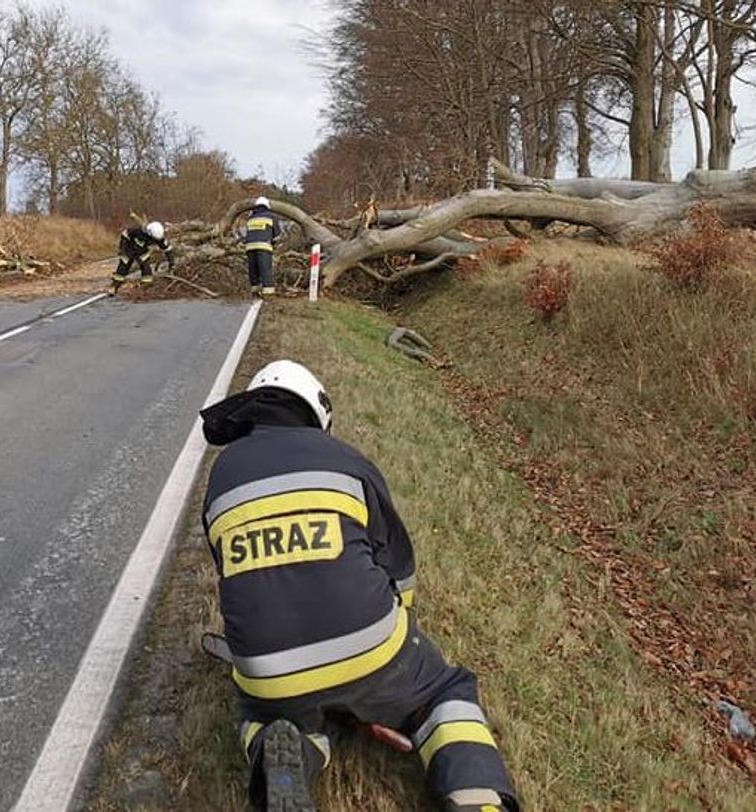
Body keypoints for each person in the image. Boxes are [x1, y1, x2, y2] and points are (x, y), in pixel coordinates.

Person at [199, 360, 518, 812]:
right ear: (317, 413)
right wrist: (398, 635)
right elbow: (399, 565)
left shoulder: (223, 473)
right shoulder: (347, 460)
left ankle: (283, 750)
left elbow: (234, 578)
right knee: (444, 691)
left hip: (269, 671)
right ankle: (477, 798)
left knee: (262, 713)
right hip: (370, 650)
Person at [109, 220, 174, 295]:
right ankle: (114, 286)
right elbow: (125, 234)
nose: (154, 240)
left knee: (146, 269)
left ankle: (144, 288)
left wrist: (172, 263)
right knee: (123, 267)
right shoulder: (138, 231)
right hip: (129, 248)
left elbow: (168, 249)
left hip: (143, 253)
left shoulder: (159, 238)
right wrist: (122, 248)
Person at [242, 196, 282, 297]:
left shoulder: (251, 218)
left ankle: (255, 290)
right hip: (264, 246)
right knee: (265, 269)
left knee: (253, 269)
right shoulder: (271, 216)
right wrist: (274, 244)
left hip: (250, 247)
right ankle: (268, 292)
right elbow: (277, 235)